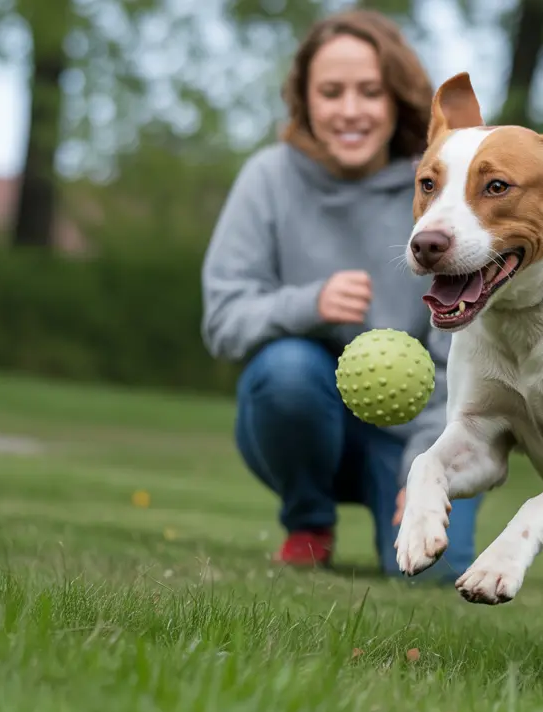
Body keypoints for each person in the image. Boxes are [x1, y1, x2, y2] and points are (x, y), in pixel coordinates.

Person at [199, 9, 482, 583]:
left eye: (369, 92)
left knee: (430, 580)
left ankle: (403, 502)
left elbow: (464, 358)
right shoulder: (268, 178)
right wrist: (309, 304)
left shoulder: (438, 187)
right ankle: (308, 520)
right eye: (331, 92)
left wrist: (428, 471)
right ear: (305, 100)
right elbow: (223, 321)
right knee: (286, 369)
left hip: (420, 431)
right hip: (302, 415)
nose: (350, 110)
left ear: (397, 98)